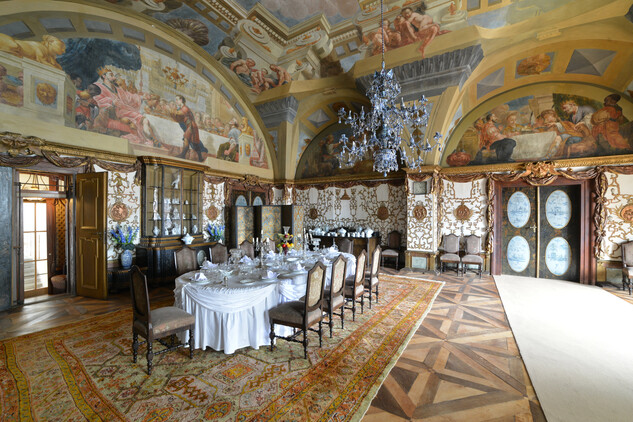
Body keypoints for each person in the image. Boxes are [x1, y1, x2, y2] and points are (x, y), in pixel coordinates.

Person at [93, 66, 160, 146]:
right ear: (104, 76)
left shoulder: (117, 90)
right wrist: (112, 102)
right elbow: (97, 100)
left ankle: (151, 139)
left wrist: (142, 97)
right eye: (111, 75)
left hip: (124, 111)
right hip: (114, 113)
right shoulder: (99, 87)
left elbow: (129, 97)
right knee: (135, 121)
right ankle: (146, 138)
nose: (113, 77)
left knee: (143, 119)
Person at [171, 95, 207, 162]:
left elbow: (180, 114)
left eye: (177, 100)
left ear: (181, 100)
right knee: (192, 142)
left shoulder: (185, 108)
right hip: (189, 126)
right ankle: (199, 158)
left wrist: (172, 111)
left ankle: (183, 155)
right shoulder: (181, 108)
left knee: (187, 139)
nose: (176, 101)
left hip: (191, 126)